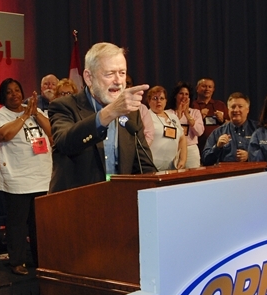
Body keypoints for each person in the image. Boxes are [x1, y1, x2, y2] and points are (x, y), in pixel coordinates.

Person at [48, 42, 155, 193]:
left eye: (122, 73)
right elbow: (66, 143)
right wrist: (110, 112)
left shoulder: (131, 113)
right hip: (76, 202)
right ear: (89, 78)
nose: (118, 81)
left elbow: (144, 166)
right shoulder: (64, 106)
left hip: (118, 200)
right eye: (110, 74)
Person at [0, 78, 52, 275]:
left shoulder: (36, 111)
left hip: (42, 177)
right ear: (3, 96)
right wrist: (24, 116)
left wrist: (35, 113)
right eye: (9, 92)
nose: (14, 94)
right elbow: (3, 135)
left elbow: (52, 132)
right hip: (17, 180)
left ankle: (41, 260)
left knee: (40, 224)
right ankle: (17, 261)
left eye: (17, 90)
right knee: (17, 225)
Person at [201, 92, 259, 165]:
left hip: (253, 171)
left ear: (247, 110)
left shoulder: (258, 130)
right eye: (233, 107)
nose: (236, 110)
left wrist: (250, 155)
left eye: (240, 106)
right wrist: (217, 147)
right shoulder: (218, 132)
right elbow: (205, 159)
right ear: (228, 110)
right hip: (227, 171)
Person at [146, 86, 187, 171]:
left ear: (166, 101)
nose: (159, 101)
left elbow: (182, 139)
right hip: (151, 166)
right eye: (155, 98)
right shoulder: (146, 116)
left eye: (162, 98)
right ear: (149, 101)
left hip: (172, 167)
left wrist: (182, 160)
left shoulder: (173, 117)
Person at [167, 82, 204, 169]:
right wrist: (179, 114)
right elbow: (169, 132)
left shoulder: (195, 112)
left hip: (191, 149)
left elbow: (199, 132)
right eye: (181, 93)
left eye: (186, 94)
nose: (184, 96)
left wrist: (187, 114)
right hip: (173, 149)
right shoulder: (168, 113)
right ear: (175, 96)